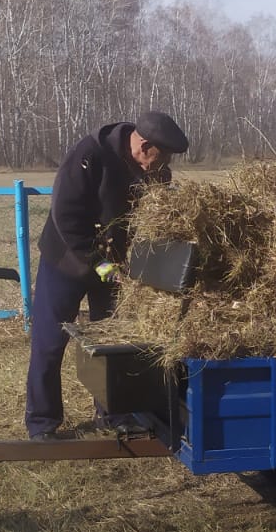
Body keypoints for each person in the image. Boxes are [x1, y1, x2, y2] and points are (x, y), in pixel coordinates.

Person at [26, 112, 189, 440]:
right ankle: (42, 423)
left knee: (114, 343)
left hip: (113, 268)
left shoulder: (152, 170)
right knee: (49, 341)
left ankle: (114, 415)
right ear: (143, 146)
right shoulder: (88, 156)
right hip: (66, 262)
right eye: (162, 156)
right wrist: (100, 265)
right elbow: (66, 217)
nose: (164, 167)